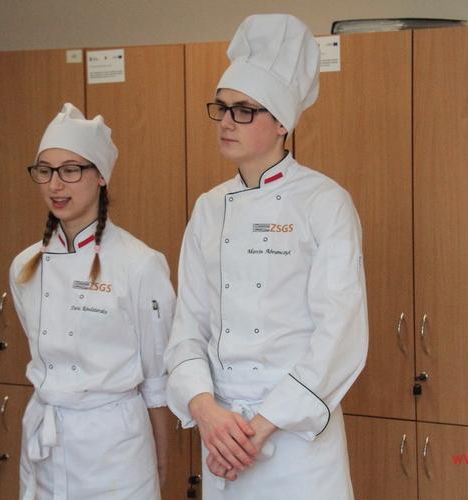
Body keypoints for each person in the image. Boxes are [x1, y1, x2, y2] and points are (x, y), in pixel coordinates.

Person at [164, 13, 369, 500]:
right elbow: (187, 327)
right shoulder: (209, 207)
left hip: (296, 439)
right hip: (222, 434)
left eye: (244, 111)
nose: (226, 122)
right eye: (222, 108)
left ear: (281, 123)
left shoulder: (324, 202)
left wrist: (260, 427)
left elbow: (339, 334)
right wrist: (206, 411)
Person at [9, 103, 175, 500]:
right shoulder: (24, 267)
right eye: (45, 171)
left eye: (70, 170)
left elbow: (157, 378)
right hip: (46, 440)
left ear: (100, 176)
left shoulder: (140, 264)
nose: (55, 185)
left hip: (114, 449)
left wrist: (161, 455)